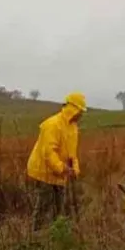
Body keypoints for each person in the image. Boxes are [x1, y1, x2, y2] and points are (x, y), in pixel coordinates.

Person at [26, 92, 87, 229]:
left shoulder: (73, 128)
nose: (81, 115)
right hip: (43, 171)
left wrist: (75, 169)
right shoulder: (52, 125)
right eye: (80, 111)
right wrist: (62, 168)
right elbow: (48, 152)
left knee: (59, 209)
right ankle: (36, 236)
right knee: (43, 206)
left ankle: (54, 235)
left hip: (60, 174)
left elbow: (72, 153)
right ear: (72, 109)